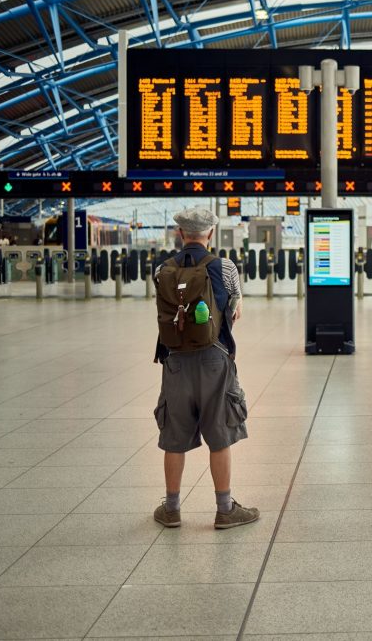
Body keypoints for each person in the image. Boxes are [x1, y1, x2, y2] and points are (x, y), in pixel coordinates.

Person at [151, 207, 259, 530]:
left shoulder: (162, 270)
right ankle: (225, 510)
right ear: (210, 234)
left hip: (175, 361)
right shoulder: (225, 268)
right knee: (220, 434)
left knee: (174, 435)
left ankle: (171, 509)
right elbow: (235, 310)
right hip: (215, 359)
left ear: (180, 234)